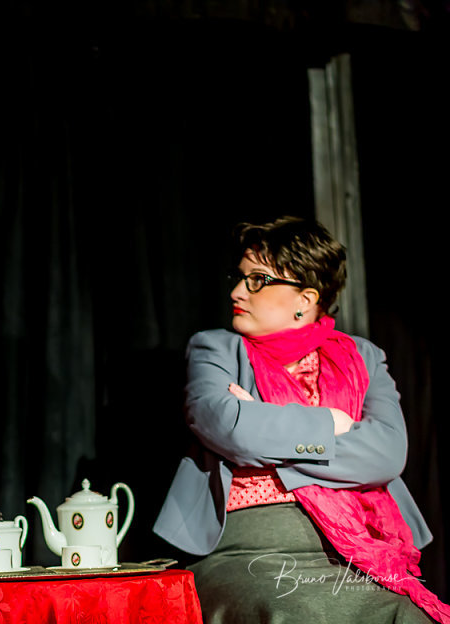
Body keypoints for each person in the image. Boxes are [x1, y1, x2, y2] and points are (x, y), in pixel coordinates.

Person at [154, 216, 450, 623]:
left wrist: (266, 434)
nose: (237, 291)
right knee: (297, 612)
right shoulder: (215, 349)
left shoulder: (363, 358)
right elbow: (228, 426)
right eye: (239, 278)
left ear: (305, 299)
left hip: (347, 551)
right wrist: (329, 423)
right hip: (245, 554)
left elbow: (387, 454)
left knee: (410, 617)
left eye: (257, 280)